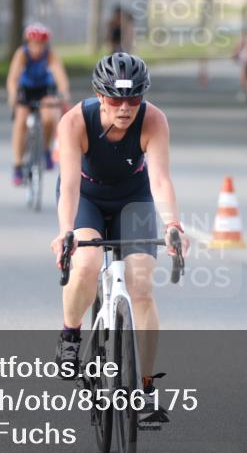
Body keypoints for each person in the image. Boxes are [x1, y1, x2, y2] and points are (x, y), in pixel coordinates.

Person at [50, 52, 189, 425]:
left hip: (134, 199)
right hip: (87, 199)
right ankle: (70, 335)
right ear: (99, 95)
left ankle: (144, 388)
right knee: (87, 263)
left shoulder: (154, 120)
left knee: (141, 284)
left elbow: (160, 181)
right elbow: (69, 187)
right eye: (114, 99)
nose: (125, 108)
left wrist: (173, 224)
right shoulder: (75, 121)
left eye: (133, 99)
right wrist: (66, 231)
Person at [6, 23, 71, 185]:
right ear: (28, 43)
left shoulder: (50, 55)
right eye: (34, 44)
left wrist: (64, 93)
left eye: (41, 45)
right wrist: (13, 95)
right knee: (21, 120)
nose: (37, 48)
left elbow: (60, 76)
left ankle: (46, 150)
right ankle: (17, 165)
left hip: (45, 90)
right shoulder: (22, 54)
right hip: (26, 90)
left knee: (50, 116)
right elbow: (13, 78)